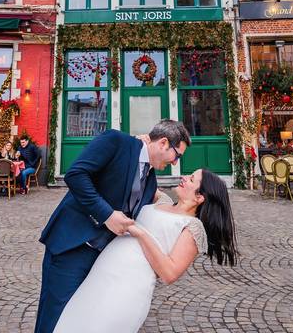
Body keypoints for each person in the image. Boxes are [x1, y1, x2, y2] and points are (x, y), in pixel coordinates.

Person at [35, 120, 191, 333]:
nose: (175, 163)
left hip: (101, 261)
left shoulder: (151, 181)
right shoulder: (116, 141)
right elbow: (76, 175)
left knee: (78, 321)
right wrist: (106, 215)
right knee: (55, 319)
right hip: (71, 247)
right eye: (177, 155)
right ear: (163, 143)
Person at [53, 168, 237, 333]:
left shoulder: (193, 227)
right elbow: (137, 171)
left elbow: (170, 273)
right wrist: (140, 143)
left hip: (128, 288)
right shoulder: (162, 201)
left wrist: (140, 234)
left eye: (191, 179)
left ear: (199, 197)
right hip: (100, 276)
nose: (183, 177)